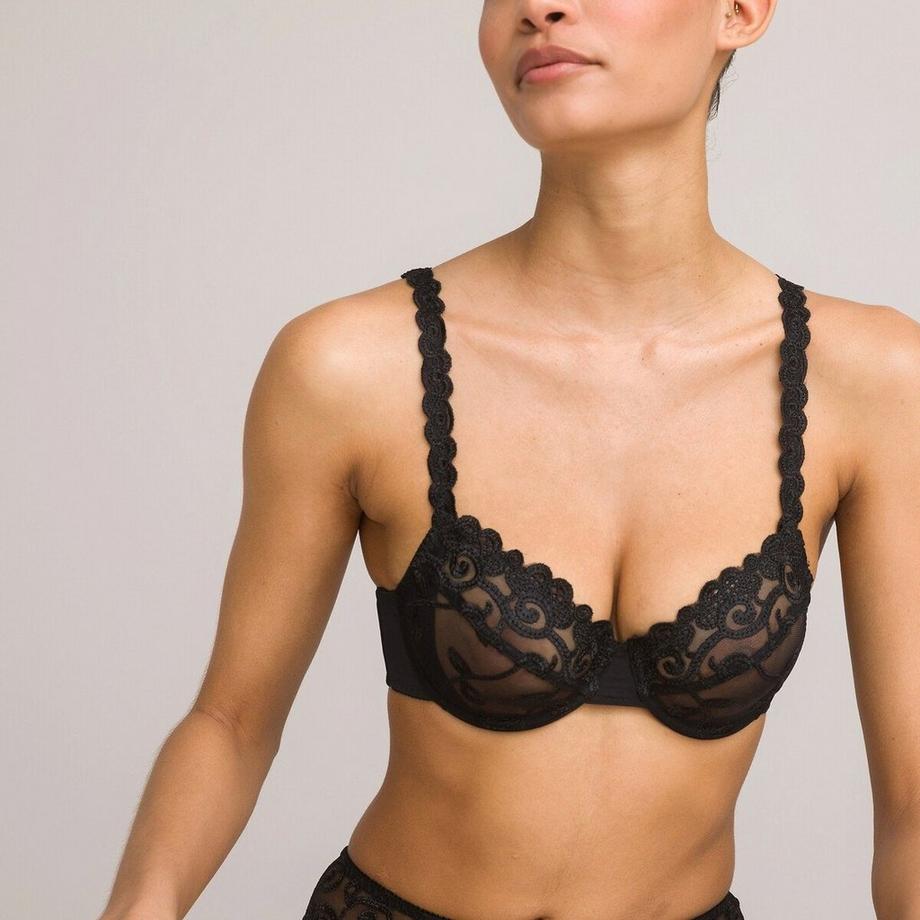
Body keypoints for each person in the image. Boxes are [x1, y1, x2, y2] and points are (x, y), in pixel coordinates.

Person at [99, 2, 920, 919]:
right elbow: (231, 721)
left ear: (739, 11)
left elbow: (912, 804)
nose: (540, 7)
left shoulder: (872, 381)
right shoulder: (351, 366)